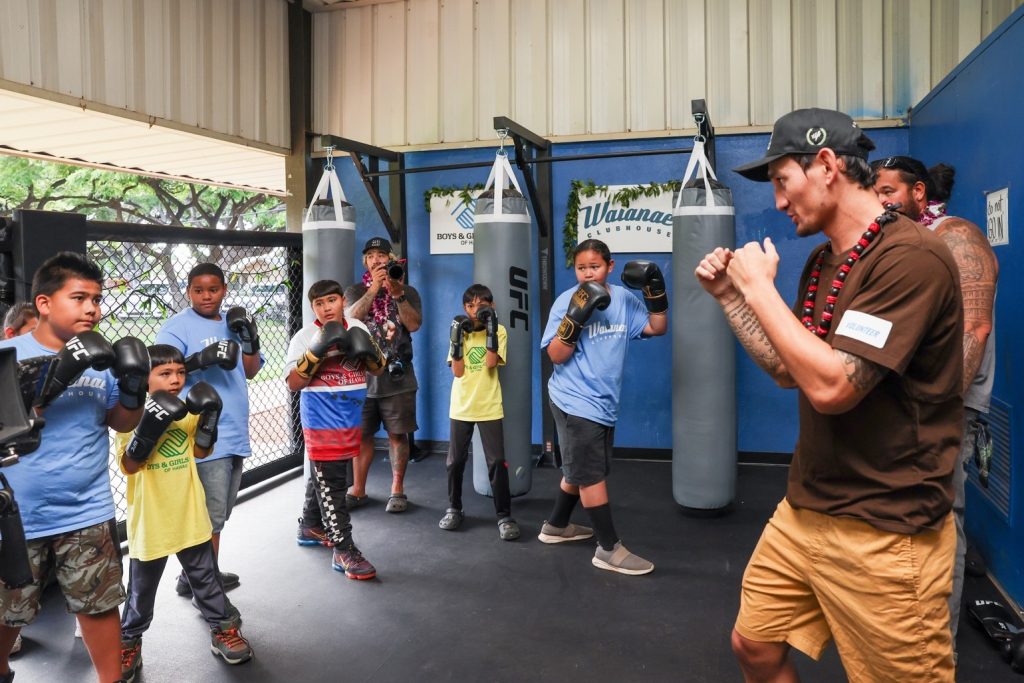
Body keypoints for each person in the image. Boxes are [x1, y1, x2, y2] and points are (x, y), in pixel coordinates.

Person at [696, 108, 963, 681]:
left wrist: (758, 288)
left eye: (781, 181)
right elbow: (790, 369)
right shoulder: (822, 263)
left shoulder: (909, 258)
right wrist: (731, 297)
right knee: (756, 645)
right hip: (807, 509)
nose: (777, 201)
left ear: (824, 165)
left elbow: (833, 387)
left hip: (887, 530)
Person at [0, 251, 147, 683]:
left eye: (96, 299)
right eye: (79, 297)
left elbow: (120, 421)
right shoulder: (8, 353)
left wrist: (134, 388)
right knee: (10, 610)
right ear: (44, 303)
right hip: (19, 511)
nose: (92, 308)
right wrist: (62, 371)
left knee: (100, 604)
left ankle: (110, 679)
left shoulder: (103, 359)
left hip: (87, 509)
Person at [873, 155, 998, 651]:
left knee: (942, 518)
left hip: (947, 409)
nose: (881, 203)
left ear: (919, 193)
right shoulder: (906, 243)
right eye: (876, 193)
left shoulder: (957, 237)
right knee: (905, 518)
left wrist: (937, 409)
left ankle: (935, 649)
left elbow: (975, 328)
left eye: (888, 192)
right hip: (910, 408)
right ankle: (907, 633)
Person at [117, 345, 253, 681]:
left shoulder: (189, 410)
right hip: (151, 521)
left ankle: (223, 630)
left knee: (207, 580)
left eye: (180, 372)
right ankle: (128, 642)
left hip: (190, 513)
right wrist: (149, 427)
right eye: (165, 374)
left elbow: (200, 449)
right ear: (146, 379)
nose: (176, 379)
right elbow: (129, 466)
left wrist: (210, 418)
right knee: (140, 593)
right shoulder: (131, 416)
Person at [538, 239, 668, 575]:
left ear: (610, 266)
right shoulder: (566, 301)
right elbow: (555, 356)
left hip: (604, 400)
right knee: (591, 474)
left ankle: (556, 526)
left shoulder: (623, 299)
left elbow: (656, 328)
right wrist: (574, 319)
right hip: (573, 398)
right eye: (581, 268)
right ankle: (608, 548)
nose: (587, 274)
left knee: (579, 467)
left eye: (594, 266)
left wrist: (656, 292)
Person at [156, 263, 263, 597]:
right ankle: (207, 588)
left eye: (212, 289)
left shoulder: (234, 324)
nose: (206, 296)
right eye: (198, 290)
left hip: (234, 431)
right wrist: (199, 359)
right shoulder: (176, 327)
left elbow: (249, 371)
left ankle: (196, 576)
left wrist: (249, 338)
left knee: (220, 513)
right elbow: (161, 374)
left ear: (224, 290)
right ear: (189, 290)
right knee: (210, 516)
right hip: (203, 430)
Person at [285, 280, 385, 579]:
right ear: (312, 306)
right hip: (321, 421)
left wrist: (369, 352)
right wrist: (316, 351)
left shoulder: (358, 328)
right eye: (319, 303)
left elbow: (378, 370)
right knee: (334, 486)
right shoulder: (305, 336)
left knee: (326, 478)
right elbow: (293, 383)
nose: (326, 307)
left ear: (342, 300)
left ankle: (310, 526)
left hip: (349, 418)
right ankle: (343, 549)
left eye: (331, 300)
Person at [344, 237, 422, 513]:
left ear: (391, 259)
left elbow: (413, 325)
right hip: (360, 376)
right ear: (365, 261)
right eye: (371, 256)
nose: (377, 260)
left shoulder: (407, 290)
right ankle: (358, 490)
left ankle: (397, 489)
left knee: (397, 435)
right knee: (361, 436)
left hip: (398, 375)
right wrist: (375, 289)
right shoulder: (354, 290)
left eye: (382, 254)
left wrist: (396, 292)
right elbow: (351, 319)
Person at [441, 284, 520, 541]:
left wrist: (490, 329)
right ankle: (454, 508)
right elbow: (458, 372)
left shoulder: (499, 331)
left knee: (496, 461)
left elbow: (489, 363)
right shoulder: (459, 331)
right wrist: (456, 339)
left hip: (489, 405)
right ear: (465, 308)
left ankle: (504, 516)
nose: (476, 310)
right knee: (455, 461)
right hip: (461, 406)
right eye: (471, 305)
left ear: (491, 306)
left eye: (482, 304)